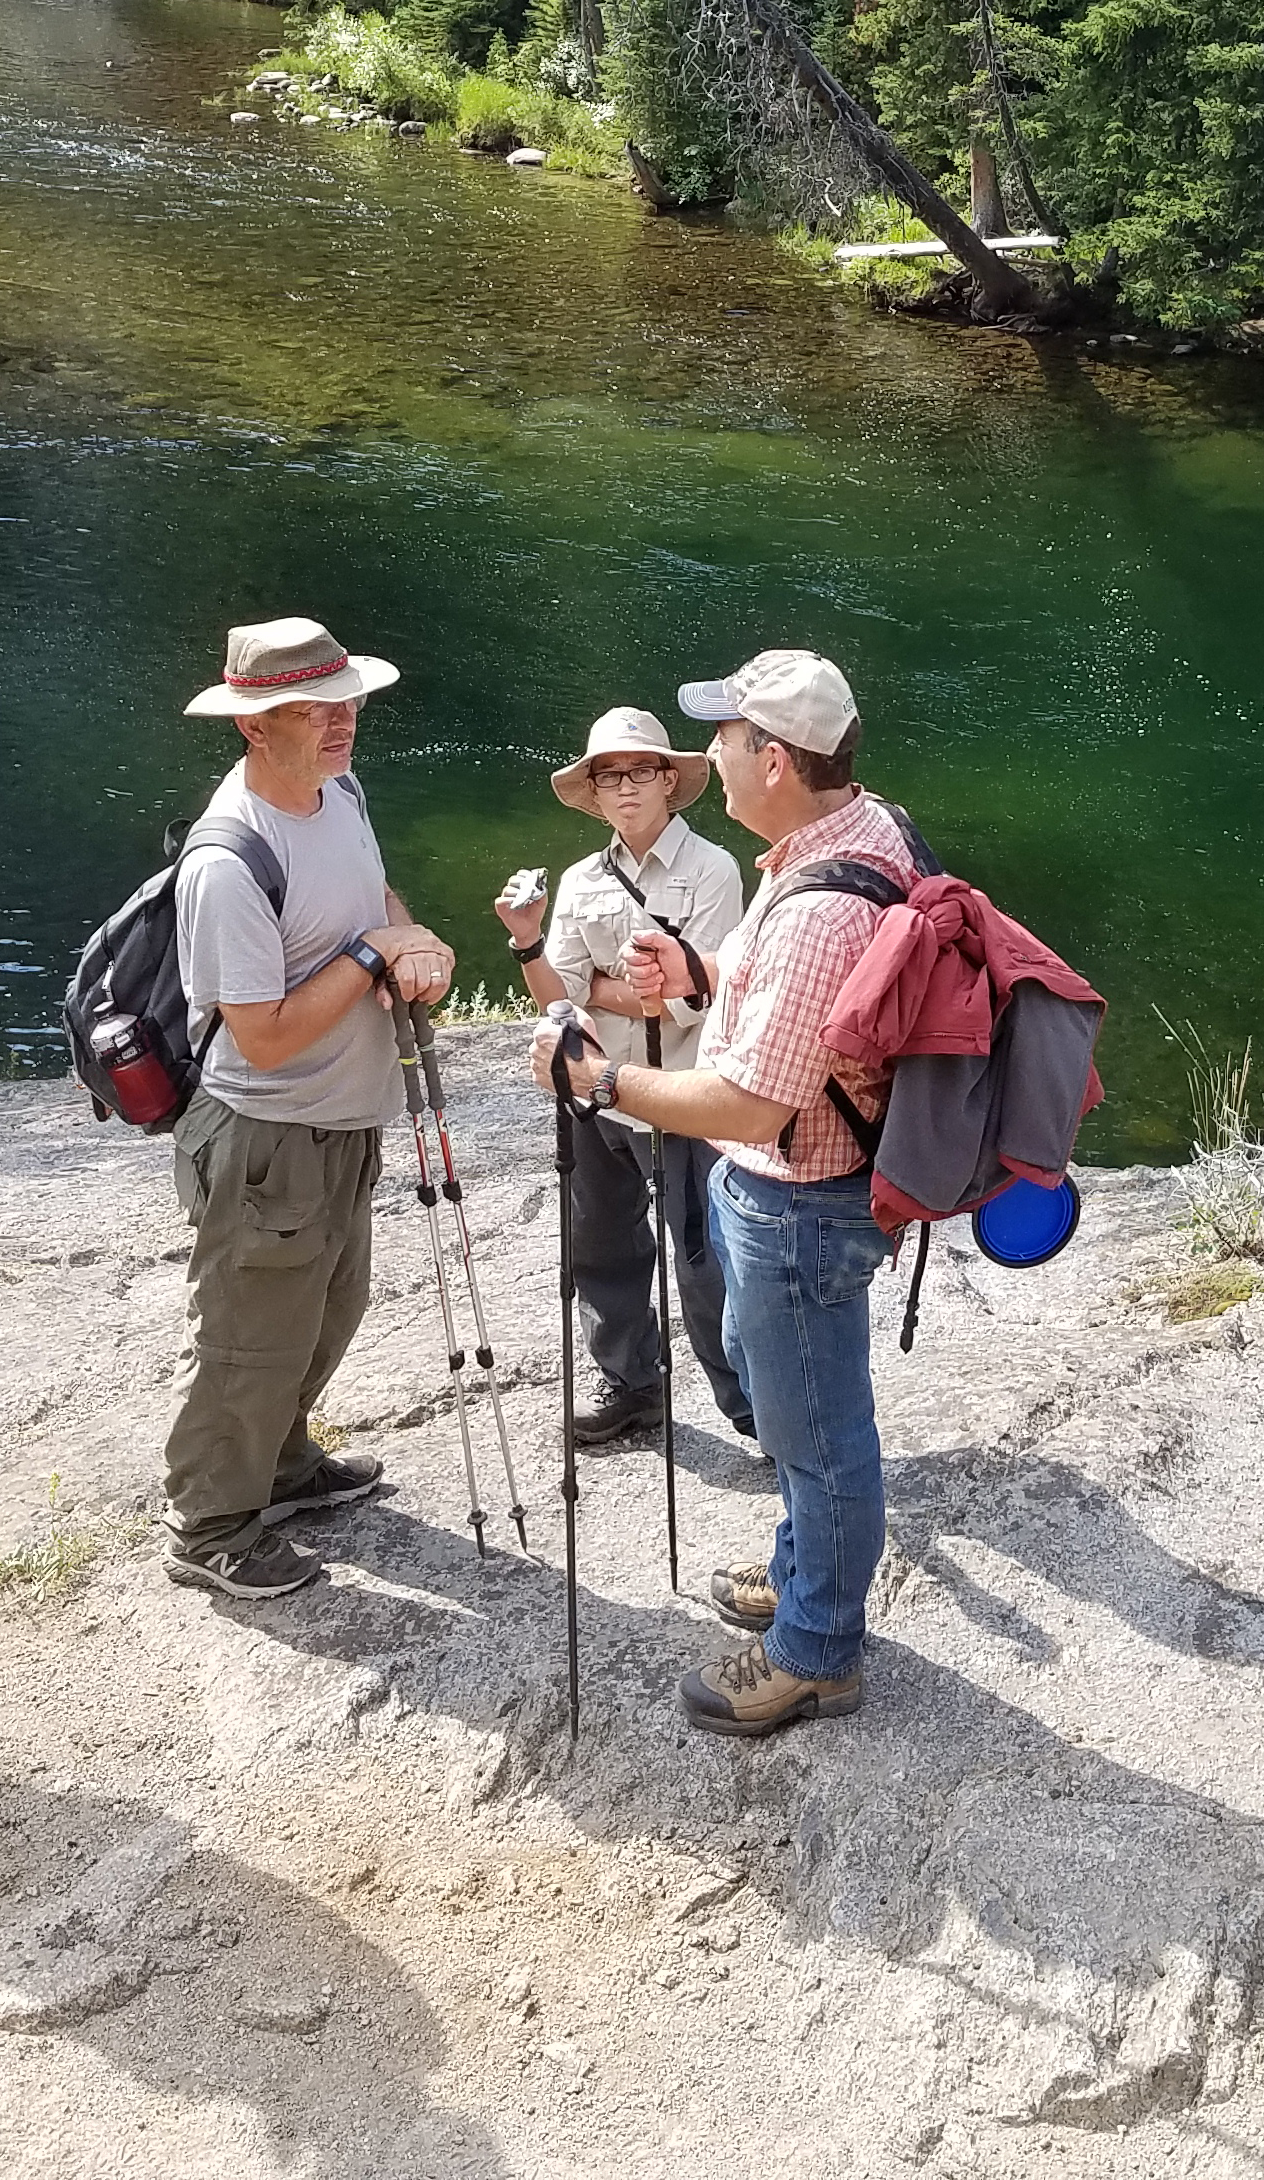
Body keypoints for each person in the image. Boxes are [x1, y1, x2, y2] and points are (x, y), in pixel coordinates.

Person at [532, 647, 911, 1739]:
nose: (711, 757)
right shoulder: (850, 830)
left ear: (777, 761)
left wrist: (603, 1080)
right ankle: (806, 1572)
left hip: (799, 1199)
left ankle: (815, 1653)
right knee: (799, 1420)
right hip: (808, 1189)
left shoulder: (815, 909)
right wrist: (699, 980)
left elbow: (749, 1106)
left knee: (821, 1433)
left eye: (728, 740)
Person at [160, 617, 455, 1601]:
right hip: (265, 1138)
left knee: (330, 1307)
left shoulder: (339, 791)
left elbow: (374, 898)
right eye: (316, 711)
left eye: (350, 702)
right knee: (253, 1338)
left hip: (341, 1122)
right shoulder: (226, 861)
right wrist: (375, 955)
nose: (345, 723)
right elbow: (263, 1034)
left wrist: (413, 941)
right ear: (255, 726)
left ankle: (280, 1467)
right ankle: (212, 1524)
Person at [498, 708, 750, 1446]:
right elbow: (558, 998)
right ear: (595, 793)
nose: (626, 788)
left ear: (670, 781)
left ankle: (753, 1408)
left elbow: (691, 1001)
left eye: (641, 771)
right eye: (609, 776)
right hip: (596, 1099)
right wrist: (527, 940)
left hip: (684, 1096)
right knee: (601, 1247)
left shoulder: (714, 870)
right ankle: (632, 1385)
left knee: (706, 1264)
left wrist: (602, 988)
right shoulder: (580, 880)